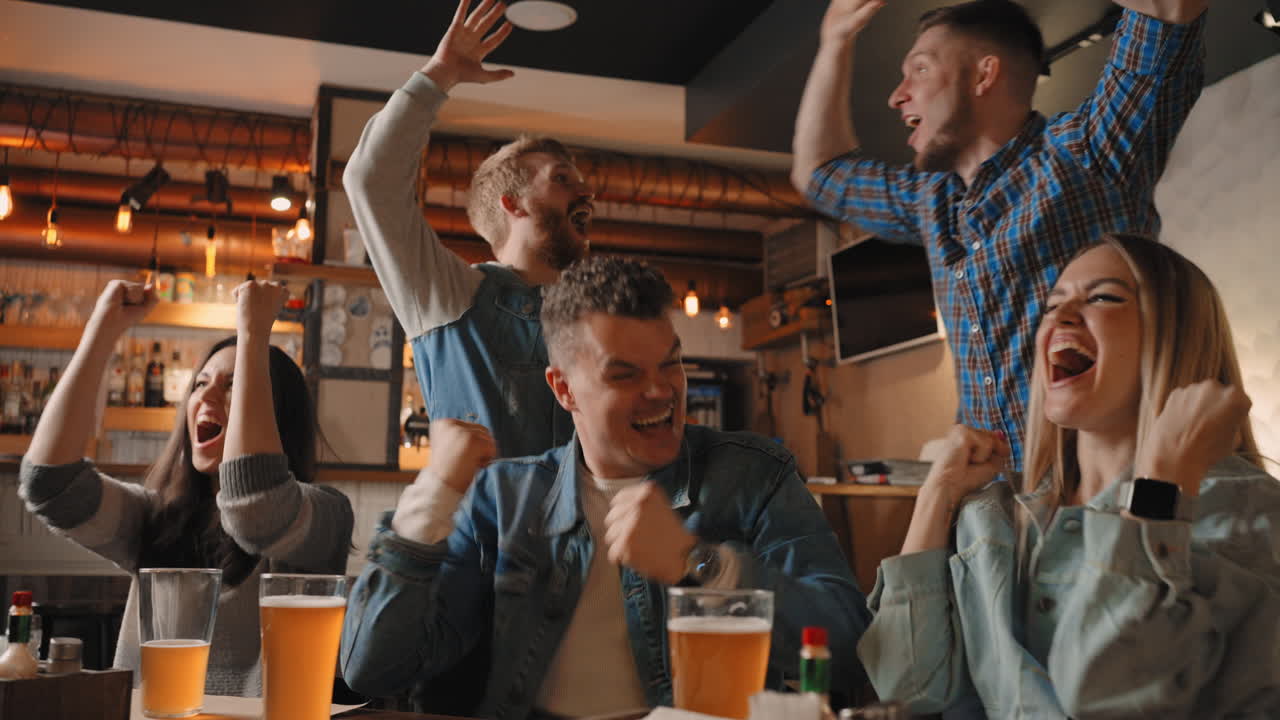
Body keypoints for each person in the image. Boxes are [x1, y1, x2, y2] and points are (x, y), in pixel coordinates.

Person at [340, 256, 871, 719]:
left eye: (671, 364)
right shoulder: (504, 496)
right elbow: (374, 667)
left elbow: (850, 642)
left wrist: (703, 564)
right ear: (564, 388)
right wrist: (430, 499)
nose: (661, 391)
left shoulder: (755, 475)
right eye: (625, 376)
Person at [856, 234, 1280, 718]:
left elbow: (1107, 697)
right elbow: (905, 687)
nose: (1061, 316)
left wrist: (1162, 482)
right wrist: (936, 495)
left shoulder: (1249, 514)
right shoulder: (991, 517)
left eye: (1102, 297)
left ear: (1176, 336)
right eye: (1051, 305)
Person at [792, 0, 1211, 470]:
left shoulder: (1088, 153)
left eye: (919, 70)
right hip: (990, 509)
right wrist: (835, 42)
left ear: (983, 75)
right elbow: (819, 175)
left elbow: (1171, 11)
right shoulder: (932, 199)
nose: (897, 96)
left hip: (1100, 493)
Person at [19, 279, 354, 696]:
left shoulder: (327, 514)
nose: (207, 395)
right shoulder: (156, 517)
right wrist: (103, 329)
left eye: (232, 384)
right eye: (200, 384)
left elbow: (257, 510)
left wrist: (253, 332)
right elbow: (50, 483)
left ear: (276, 416)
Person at [344, 0, 591, 460]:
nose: (586, 193)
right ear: (512, 204)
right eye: (562, 179)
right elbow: (369, 179)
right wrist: (440, 76)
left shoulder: (592, 316)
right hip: (484, 533)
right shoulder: (449, 295)